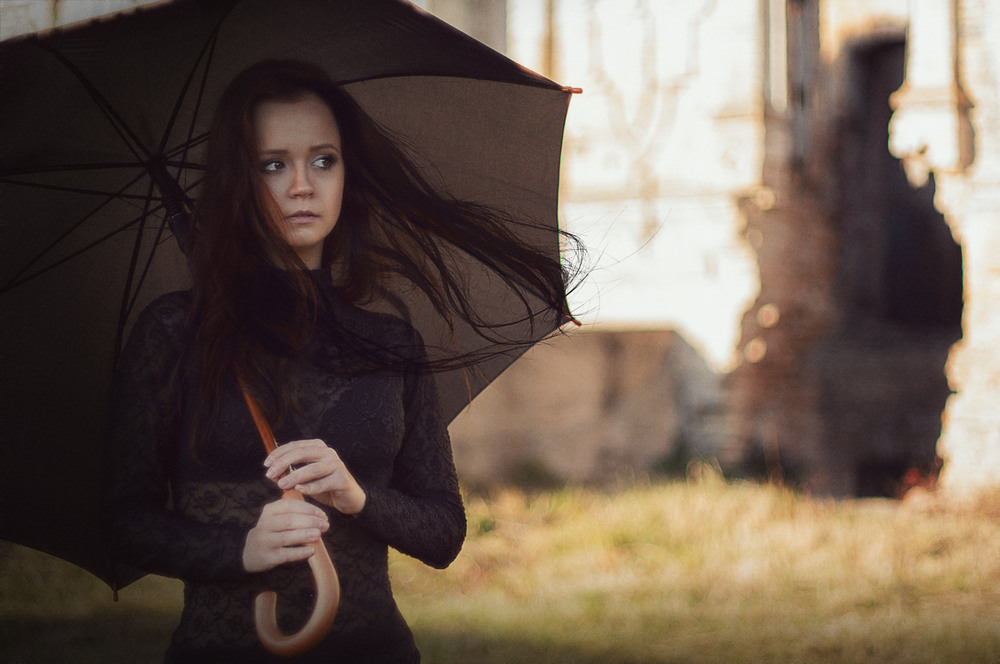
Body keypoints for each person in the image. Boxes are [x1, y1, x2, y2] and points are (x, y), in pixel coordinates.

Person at [104, 60, 574, 663]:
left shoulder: (389, 342)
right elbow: (125, 519)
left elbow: (443, 533)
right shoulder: (176, 332)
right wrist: (241, 549)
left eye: (323, 160)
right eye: (273, 164)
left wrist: (358, 497)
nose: (303, 185)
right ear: (238, 180)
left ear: (347, 173)